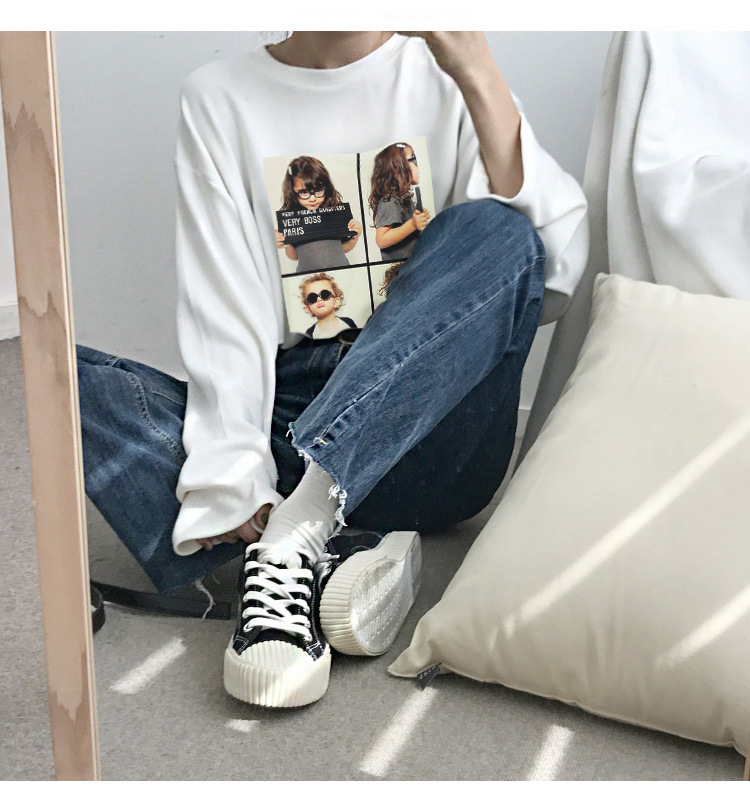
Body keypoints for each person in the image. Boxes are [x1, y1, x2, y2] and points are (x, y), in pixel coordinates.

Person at [77, 32, 589, 709]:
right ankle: (334, 553)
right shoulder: (219, 97)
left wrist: (476, 70)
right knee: (53, 376)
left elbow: (550, 275)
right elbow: (225, 313)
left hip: (432, 429)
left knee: (499, 231)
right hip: (292, 410)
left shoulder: (446, 76)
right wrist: (233, 476)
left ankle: (294, 534)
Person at [275, 155, 363, 272]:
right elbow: (294, 257)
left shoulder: (335, 214)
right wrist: (287, 243)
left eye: (318, 191)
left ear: (327, 188)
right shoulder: (292, 221)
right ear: (292, 192)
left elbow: (342, 249)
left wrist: (354, 238)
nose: (313, 199)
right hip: (307, 274)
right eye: (304, 192)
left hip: (342, 271)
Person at [369, 142, 430, 261]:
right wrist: (413, 224)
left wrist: (419, 220)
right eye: (413, 160)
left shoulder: (404, 199)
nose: (417, 166)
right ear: (397, 167)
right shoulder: (390, 201)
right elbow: (381, 240)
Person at [299, 272, 357, 338]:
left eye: (325, 294)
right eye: (312, 297)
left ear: (336, 302)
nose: (319, 299)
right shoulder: (310, 334)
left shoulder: (348, 322)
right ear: (308, 309)